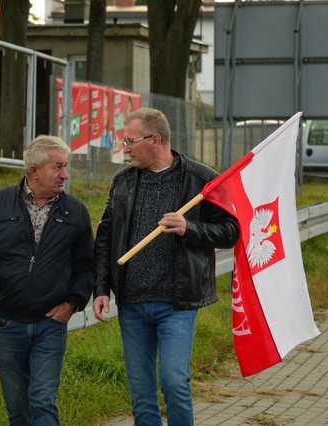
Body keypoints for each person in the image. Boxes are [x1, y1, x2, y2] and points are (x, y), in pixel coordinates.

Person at [93, 108, 240, 426]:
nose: (125, 148)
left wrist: (190, 228)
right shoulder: (123, 182)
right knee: (142, 393)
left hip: (177, 302)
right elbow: (106, 237)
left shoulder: (201, 179)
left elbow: (231, 231)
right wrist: (101, 288)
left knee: (174, 383)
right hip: (131, 302)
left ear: (155, 139)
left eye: (130, 140)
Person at [0, 135, 94, 426]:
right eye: (57, 167)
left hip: (51, 324)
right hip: (8, 323)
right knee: (18, 410)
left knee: (43, 401)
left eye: (65, 166)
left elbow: (86, 266)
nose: (64, 175)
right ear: (33, 170)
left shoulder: (76, 212)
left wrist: (73, 303)